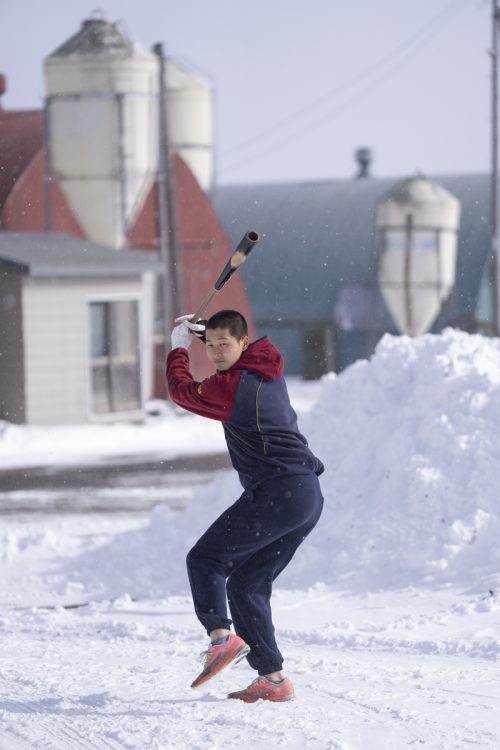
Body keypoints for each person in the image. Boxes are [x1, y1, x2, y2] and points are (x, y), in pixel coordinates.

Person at [166, 309, 324, 703]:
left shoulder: (234, 388)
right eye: (212, 345)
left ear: (243, 344)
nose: (217, 352)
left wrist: (177, 350)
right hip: (305, 495)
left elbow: (182, 392)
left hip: (277, 493)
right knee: (247, 584)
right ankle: (273, 678)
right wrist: (200, 335)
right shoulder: (265, 370)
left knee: (205, 560)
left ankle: (221, 639)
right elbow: (226, 368)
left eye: (226, 344)